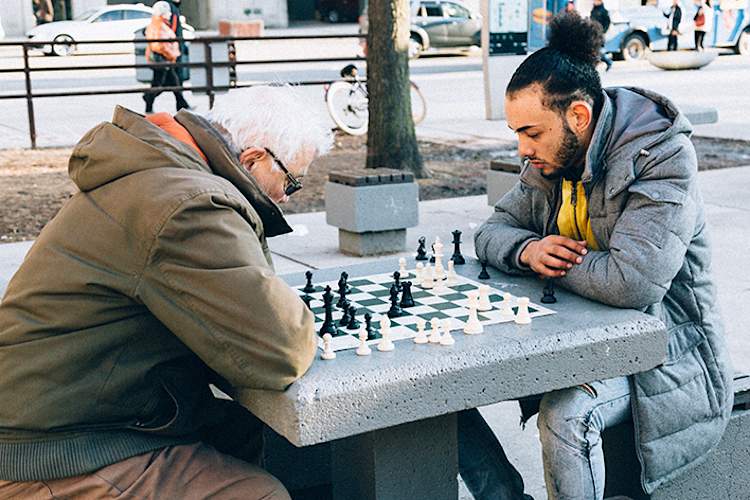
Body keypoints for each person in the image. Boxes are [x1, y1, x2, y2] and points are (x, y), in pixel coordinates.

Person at [0, 84, 332, 498]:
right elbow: (279, 350)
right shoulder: (188, 203)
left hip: (65, 416)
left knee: (239, 430)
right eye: (292, 182)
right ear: (253, 159)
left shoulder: (154, 170)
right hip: (54, 454)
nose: (285, 198)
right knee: (260, 495)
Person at [466, 12, 733, 500]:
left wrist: (554, 264)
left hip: (666, 353)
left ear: (579, 117)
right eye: (516, 133)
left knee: (566, 413)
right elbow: (489, 232)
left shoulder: (661, 155)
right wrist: (529, 249)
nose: (522, 149)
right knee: (450, 387)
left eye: (531, 132)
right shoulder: (553, 158)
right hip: (581, 339)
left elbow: (632, 283)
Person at [143, 1, 190, 113]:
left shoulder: (161, 23)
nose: (169, 14)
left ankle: (182, 104)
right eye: (167, 13)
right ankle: (148, 99)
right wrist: (172, 55)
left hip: (164, 59)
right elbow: (161, 45)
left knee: (173, 82)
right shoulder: (160, 25)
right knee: (159, 84)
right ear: (162, 13)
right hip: (163, 59)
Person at [167, 0, 192, 101]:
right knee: (172, 77)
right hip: (173, 48)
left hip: (173, 47)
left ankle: (181, 102)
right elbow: (172, 29)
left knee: (172, 77)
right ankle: (148, 98)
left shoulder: (172, 7)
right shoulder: (171, 8)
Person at [590, 0, 613, 71]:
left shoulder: (604, 11)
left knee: (597, 51)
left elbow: (608, 22)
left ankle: (608, 61)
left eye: (596, 1)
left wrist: (603, 31)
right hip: (593, 33)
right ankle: (606, 61)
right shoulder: (593, 10)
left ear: (600, 1)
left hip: (599, 34)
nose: (594, 2)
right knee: (593, 50)